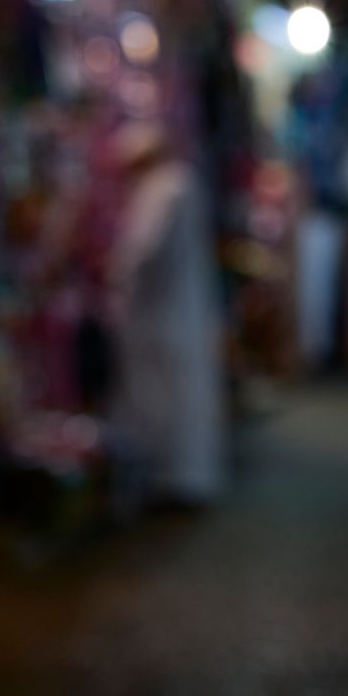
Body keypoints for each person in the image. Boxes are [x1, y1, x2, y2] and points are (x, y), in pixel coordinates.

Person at [108, 122, 224, 507]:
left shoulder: (163, 190)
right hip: (179, 312)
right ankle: (184, 475)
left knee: (163, 396)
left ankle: (173, 478)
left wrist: (116, 274)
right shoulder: (181, 183)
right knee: (183, 393)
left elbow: (144, 251)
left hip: (160, 315)